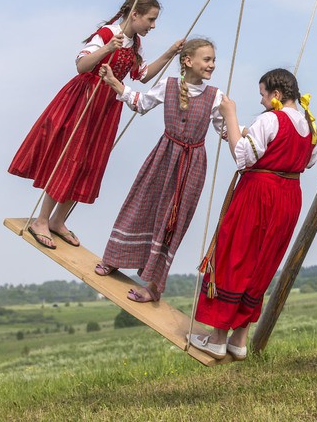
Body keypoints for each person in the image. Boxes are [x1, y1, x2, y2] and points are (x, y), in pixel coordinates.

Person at [9, 0, 184, 250]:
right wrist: (108, 48)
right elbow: (81, 65)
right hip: (85, 100)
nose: (153, 25)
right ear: (134, 15)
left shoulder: (135, 44)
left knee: (88, 162)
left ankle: (58, 220)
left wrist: (170, 52)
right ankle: (41, 220)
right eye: (150, 19)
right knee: (70, 157)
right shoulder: (106, 34)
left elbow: (143, 75)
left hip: (106, 107)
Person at [189, 68, 317, 361]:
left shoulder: (270, 119)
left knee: (236, 255)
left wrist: (231, 114)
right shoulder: (309, 123)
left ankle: (218, 337)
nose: (260, 100)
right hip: (289, 196)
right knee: (262, 263)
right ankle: (239, 338)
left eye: (262, 94)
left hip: (260, 192)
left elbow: (242, 156)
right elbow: (309, 160)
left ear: (276, 94)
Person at [94, 38, 224, 304]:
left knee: (171, 224)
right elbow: (140, 103)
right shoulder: (170, 85)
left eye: (213, 59)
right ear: (188, 61)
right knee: (141, 204)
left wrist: (250, 136)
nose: (212, 64)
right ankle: (114, 259)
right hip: (164, 157)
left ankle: (153, 285)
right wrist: (115, 83)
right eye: (207, 59)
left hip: (192, 166)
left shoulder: (216, 97)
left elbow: (226, 130)